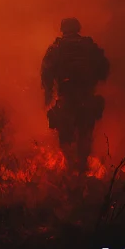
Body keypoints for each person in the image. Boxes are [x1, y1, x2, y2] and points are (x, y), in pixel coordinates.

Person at [40, 18, 109, 173]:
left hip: (66, 98)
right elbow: (104, 68)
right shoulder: (89, 46)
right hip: (86, 97)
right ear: (78, 28)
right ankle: (83, 170)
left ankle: (71, 173)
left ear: (63, 29)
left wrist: (48, 94)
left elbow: (46, 72)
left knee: (65, 138)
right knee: (85, 134)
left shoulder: (57, 47)